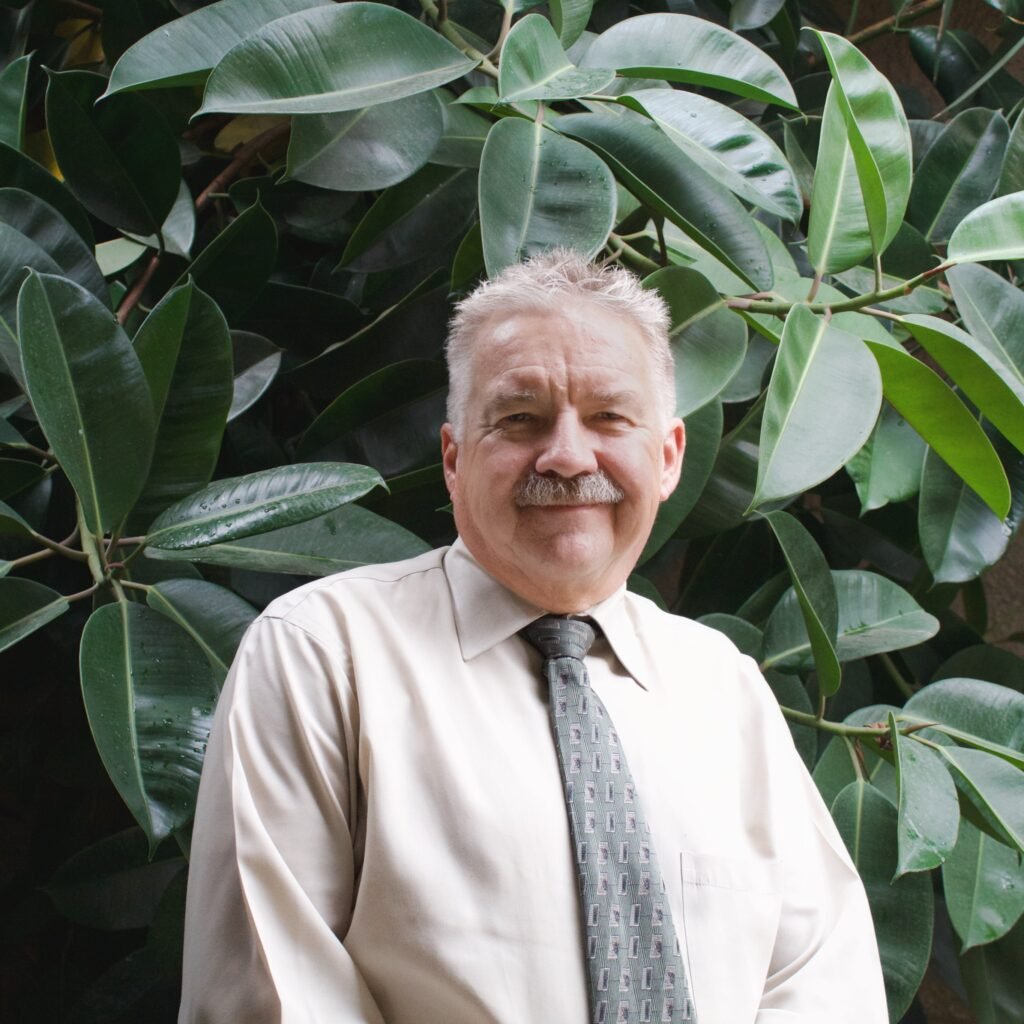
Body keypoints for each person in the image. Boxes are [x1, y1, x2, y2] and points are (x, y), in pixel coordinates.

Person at [179, 251, 887, 1023]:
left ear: (670, 457)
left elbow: (823, 984)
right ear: (453, 458)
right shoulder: (322, 655)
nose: (567, 456)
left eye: (611, 417)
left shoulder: (727, 689)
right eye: (520, 419)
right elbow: (278, 996)